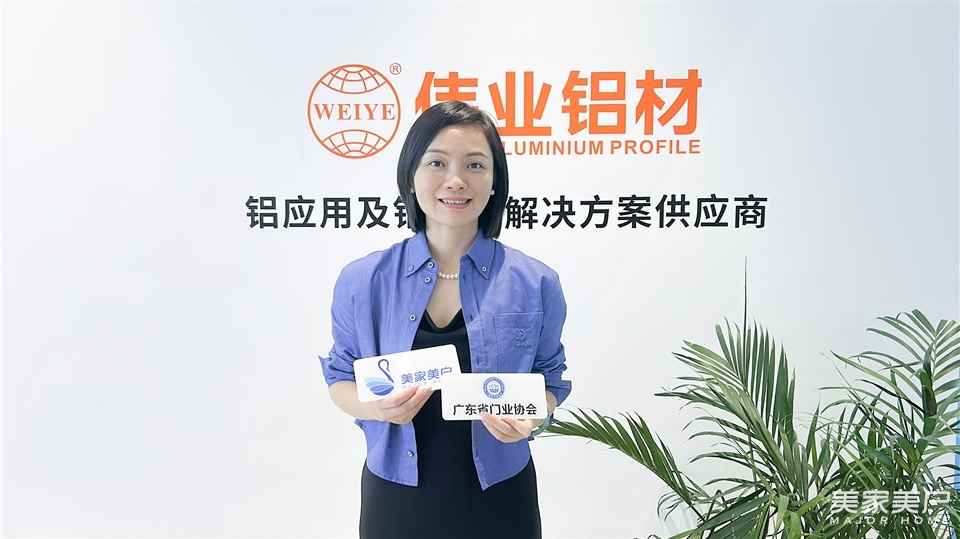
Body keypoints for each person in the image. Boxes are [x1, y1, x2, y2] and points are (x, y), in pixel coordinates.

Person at [319, 100, 573, 539]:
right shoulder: (364, 280)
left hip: (501, 494)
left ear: (495, 182)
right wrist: (375, 408)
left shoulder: (536, 282)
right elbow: (341, 377)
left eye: (475, 165)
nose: (456, 180)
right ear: (411, 175)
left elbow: (549, 379)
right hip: (396, 496)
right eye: (437, 162)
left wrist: (531, 418)